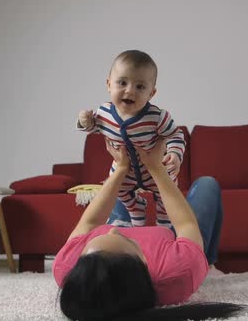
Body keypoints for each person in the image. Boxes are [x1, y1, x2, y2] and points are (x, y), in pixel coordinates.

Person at [53, 138, 248, 321]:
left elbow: (90, 223)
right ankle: (209, 263)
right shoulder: (177, 271)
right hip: (173, 236)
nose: (112, 230)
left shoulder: (68, 270)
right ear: (144, 264)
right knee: (207, 184)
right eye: (127, 239)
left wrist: (121, 168)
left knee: (117, 188)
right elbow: (186, 225)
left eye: (93, 240)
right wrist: (156, 168)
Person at [77, 49, 185, 228]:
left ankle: (164, 230)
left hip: (154, 171)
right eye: (122, 83)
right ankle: (137, 215)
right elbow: (92, 126)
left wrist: (174, 153)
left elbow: (175, 134)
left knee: (166, 199)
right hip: (124, 171)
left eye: (140, 87)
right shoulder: (104, 113)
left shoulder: (157, 117)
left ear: (151, 93)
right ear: (109, 84)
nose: (130, 91)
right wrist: (84, 120)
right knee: (118, 189)